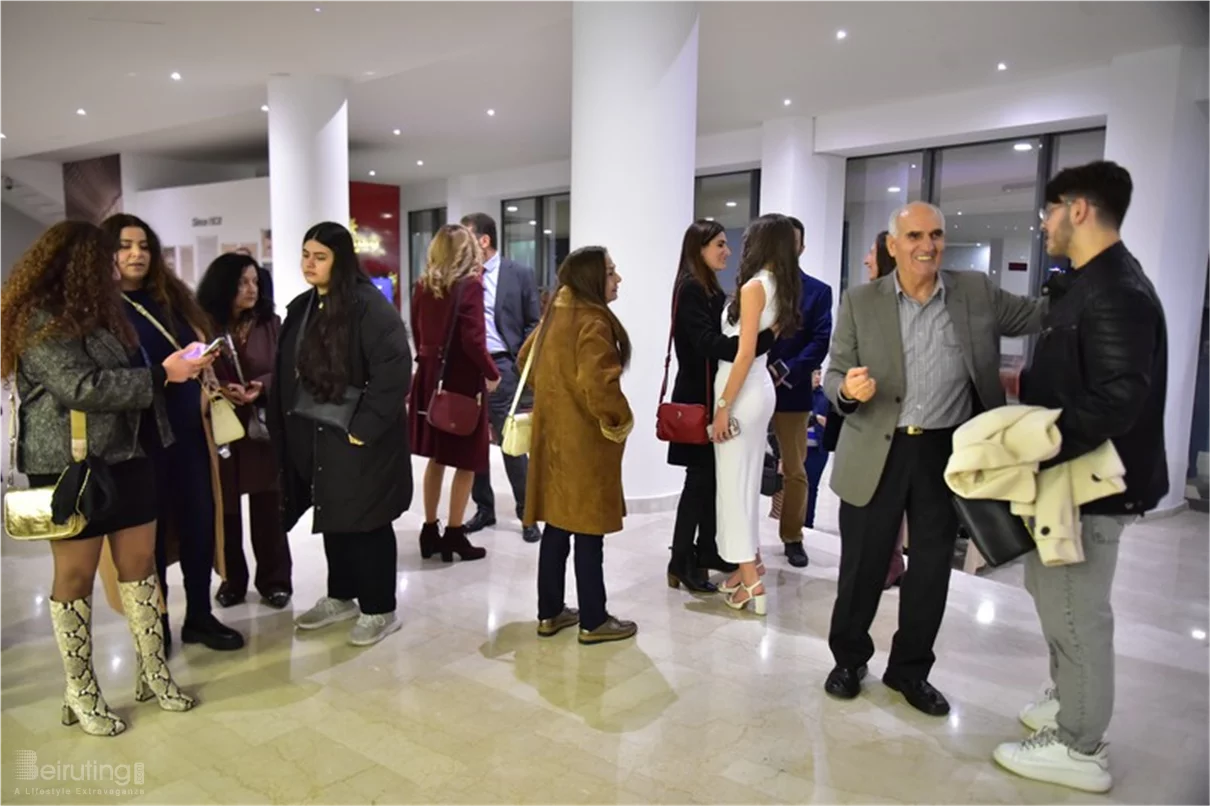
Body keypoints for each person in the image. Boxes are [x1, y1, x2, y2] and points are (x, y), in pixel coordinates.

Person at [822, 201, 1046, 715]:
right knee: (863, 566)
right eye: (916, 236)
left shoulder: (974, 292)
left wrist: (1085, 281)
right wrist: (848, 391)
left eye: (937, 235)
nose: (928, 246)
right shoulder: (860, 301)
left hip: (945, 451)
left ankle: (909, 670)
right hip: (877, 448)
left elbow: (1037, 316)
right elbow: (834, 374)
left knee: (930, 570)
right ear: (893, 243)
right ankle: (849, 660)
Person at [992, 161, 1168, 793]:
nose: (1043, 224)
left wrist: (1035, 441)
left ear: (1079, 209)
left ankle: (1079, 743)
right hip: (1070, 478)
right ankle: (1068, 700)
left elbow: (1120, 396)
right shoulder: (1092, 284)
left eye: (1049, 211)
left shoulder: (1117, 289)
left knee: (1076, 609)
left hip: (1088, 484)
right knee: (1050, 593)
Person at [0, 221, 211, 734]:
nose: (117, 264)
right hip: (70, 464)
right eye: (106, 257)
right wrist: (164, 374)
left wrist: (167, 373)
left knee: (140, 567)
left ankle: (153, 673)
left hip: (130, 454)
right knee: (74, 577)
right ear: (79, 264)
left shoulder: (109, 313)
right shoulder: (40, 319)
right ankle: (81, 690)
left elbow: (124, 382)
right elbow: (81, 386)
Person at [101, 213, 242, 653]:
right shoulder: (97, 311)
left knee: (200, 521)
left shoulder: (170, 300)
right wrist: (164, 373)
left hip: (189, 431)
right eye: (124, 245)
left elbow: (190, 351)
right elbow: (106, 379)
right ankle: (155, 620)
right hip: (138, 439)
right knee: (150, 536)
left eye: (143, 245)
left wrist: (208, 372)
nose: (136, 253)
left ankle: (199, 614)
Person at [269, 222, 413, 647]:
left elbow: (394, 371)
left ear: (341, 260)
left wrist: (363, 428)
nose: (309, 264)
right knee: (334, 512)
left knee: (367, 519)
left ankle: (380, 608)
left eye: (320, 256)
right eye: (306, 255)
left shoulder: (369, 307)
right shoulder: (304, 307)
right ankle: (342, 596)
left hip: (358, 434)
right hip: (319, 432)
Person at [519, 246, 637, 645]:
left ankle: (549, 614)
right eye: (610, 271)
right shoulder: (592, 321)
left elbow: (525, 361)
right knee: (589, 531)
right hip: (585, 443)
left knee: (557, 526)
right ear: (590, 278)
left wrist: (556, 396)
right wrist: (620, 420)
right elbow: (598, 385)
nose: (617, 278)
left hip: (553, 438)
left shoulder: (556, 315)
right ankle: (593, 619)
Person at [665, 220, 776, 593]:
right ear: (699, 248)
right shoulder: (692, 288)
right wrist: (758, 343)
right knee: (697, 482)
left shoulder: (710, 287)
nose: (727, 252)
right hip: (697, 397)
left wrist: (751, 346)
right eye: (720, 245)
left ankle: (707, 550)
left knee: (711, 480)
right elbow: (707, 343)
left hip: (714, 394)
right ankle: (681, 560)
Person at [712, 213, 803, 615]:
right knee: (745, 483)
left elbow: (744, 352)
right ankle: (751, 565)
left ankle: (750, 581)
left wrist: (722, 407)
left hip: (741, 389)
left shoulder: (753, 287)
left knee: (734, 485)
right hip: (759, 389)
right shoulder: (782, 287)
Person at [197, 252, 292, 609]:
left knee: (269, 508)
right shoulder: (202, 324)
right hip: (220, 426)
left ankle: (275, 580)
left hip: (260, 429)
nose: (251, 289)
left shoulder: (271, 323)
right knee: (226, 508)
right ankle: (231, 579)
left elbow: (287, 368)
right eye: (241, 282)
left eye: (254, 281)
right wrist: (217, 388)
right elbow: (191, 364)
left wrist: (261, 386)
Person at [409, 224, 500, 562]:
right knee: (466, 461)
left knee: (436, 458)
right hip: (461, 382)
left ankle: (429, 529)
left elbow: (419, 335)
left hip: (431, 379)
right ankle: (455, 534)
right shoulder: (470, 287)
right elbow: (474, 341)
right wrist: (492, 374)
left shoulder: (422, 286)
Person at [460, 213, 542, 544]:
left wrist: (519, 367)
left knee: (512, 444)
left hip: (505, 367)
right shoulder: (462, 277)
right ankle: (484, 509)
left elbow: (532, 323)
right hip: (469, 370)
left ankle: (527, 513)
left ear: (484, 240)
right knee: (472, 442)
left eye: (467, 238)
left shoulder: (518, 274)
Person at [767, 216, 833, 568]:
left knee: (794, 469)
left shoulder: (819, 292)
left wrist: (786, 370)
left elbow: (820, 340)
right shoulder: (756, 286)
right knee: (742, 465)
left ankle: (792, 536)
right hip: (751, 389)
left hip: (792, 392)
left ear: (802, 247)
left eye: (792, 242)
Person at [861, 230, 906, 587]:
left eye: (871, 254)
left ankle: (886, 565)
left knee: (885, 499)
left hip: (889, 419)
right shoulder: (868, 303)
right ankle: (886, 562)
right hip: (868, 416)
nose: (865, 260)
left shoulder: (893, 308)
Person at [804, 369, 830, 530]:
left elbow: (833, 422)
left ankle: (808, 523)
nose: (817, 377)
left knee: (812, 486)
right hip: (798, 447)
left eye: (819, 373)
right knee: (795, 485)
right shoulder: (798, 394)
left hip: (818, 449)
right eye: (814, 373)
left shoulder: (825, 397)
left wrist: (821, 420)